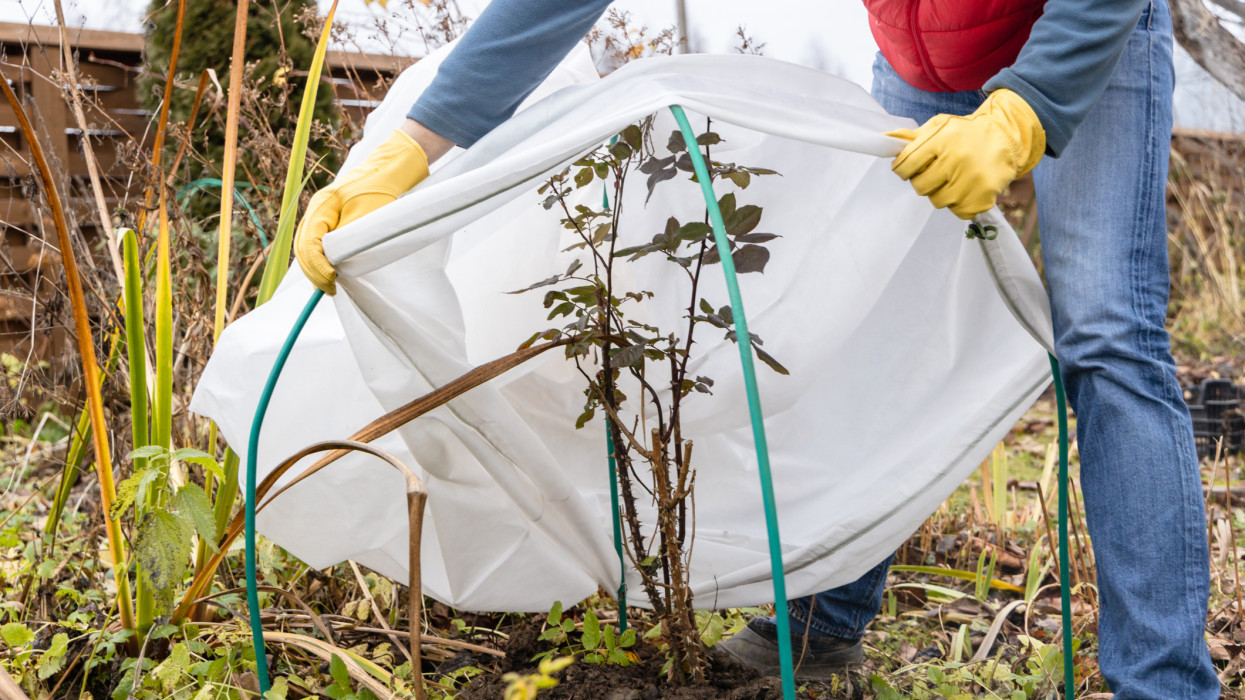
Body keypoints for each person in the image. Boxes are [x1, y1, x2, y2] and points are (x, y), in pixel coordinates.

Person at [294, 1, 1218, 696]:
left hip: (1077, 30)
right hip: (920, 55)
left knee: (1104, 335)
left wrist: (1026, 110)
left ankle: (1162, 679)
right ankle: (819, 629)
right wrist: (414, 144)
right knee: (866, 324)